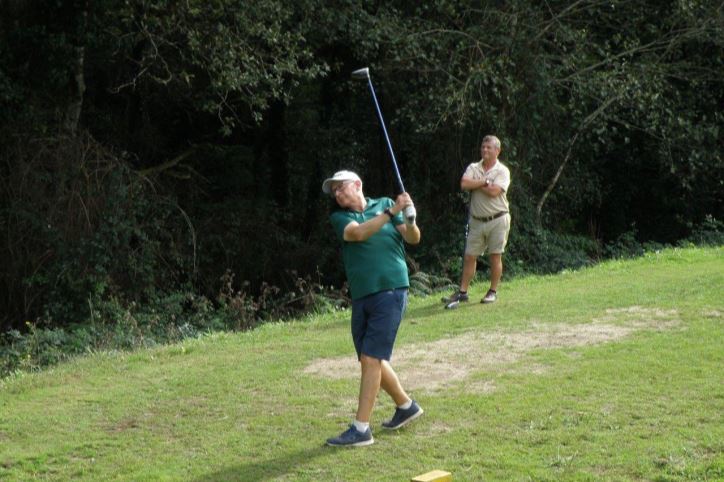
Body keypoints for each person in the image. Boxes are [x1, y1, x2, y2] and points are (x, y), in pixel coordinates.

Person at [322, 169, 423, 447]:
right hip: (363, 295)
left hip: (391, 289)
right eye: (334, 192)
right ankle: (406, 406)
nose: (338, 194)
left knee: (371, 358)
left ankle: (361, 428)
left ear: (357, 184)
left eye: (341, 188)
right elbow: (358, 234)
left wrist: (410, 218)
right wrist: (392, 212)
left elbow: (413, 238)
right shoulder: (341, 217)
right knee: (371, 358)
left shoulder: (383, 205)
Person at [444, 135, 511, 305]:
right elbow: (464, 184)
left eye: (489, 147)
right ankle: (462, 292)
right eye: (483, 147)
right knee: (469, 257)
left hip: (498, 219)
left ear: (497, 150)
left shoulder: (502, 170)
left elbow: (495, 191)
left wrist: (478, 183)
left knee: (495, 256)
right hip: (476, 220)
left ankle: (492, 291)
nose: (485, 150)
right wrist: (485, 181)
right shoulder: (474, 167)